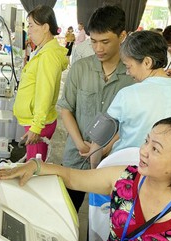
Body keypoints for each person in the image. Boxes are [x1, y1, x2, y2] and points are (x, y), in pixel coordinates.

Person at [0, 116, 171, 241]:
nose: (143, 151)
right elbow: (73, 177)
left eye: (155, 149)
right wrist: (35, 167)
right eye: (147, 141)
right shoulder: (125, 179)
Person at [56, 5, 134, 212]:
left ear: (123, 35)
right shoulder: (81, 69)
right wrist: (81, 143)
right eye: (94, 41)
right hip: (76, 155)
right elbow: (65, 108)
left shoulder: (132, 75)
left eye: (105, 42)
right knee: (67, 210)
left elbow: (133, 119)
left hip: (114, 159)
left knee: (106, 217)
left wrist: (105, 147)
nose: (98, 48)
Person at [105, 30, 171, 156]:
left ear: (147, 62)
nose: (128, 73)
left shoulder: (128, 94)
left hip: (128, 168)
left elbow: (101, 134)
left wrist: (95, 166)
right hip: (168, 171)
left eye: (128, 67)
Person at [13, 5, 68, 161]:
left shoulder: (48, 55)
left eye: (31, 25)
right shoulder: (42, 50)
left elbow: (45, 92)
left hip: (38, 124)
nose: (28, 30)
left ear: (45, 27)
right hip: (35, 121)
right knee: (33, 166)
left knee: (34, 170)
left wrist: (36, 126)